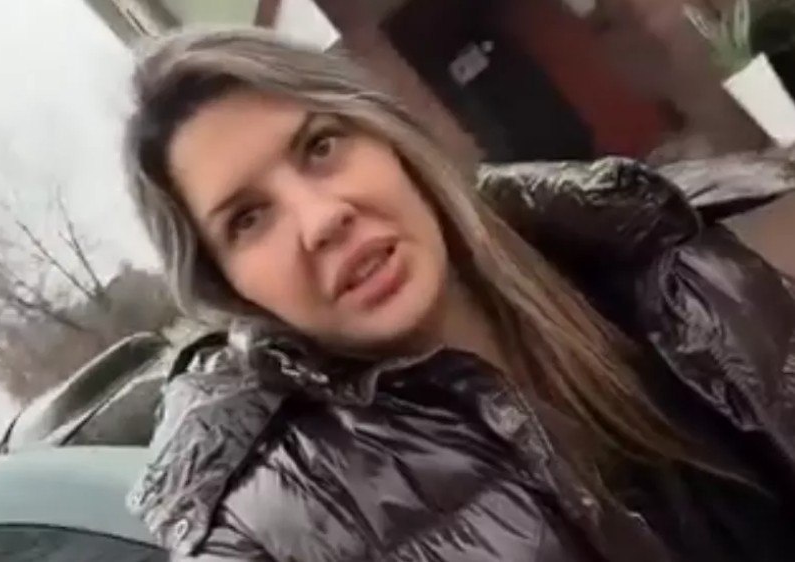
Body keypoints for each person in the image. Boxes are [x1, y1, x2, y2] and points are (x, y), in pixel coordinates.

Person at [123, 28, 795, 562]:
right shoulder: (273, 529)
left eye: (320, 146)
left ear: (390, 139)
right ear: (230, 287)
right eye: (248, 219)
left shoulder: (649, 250)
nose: (322, 220)